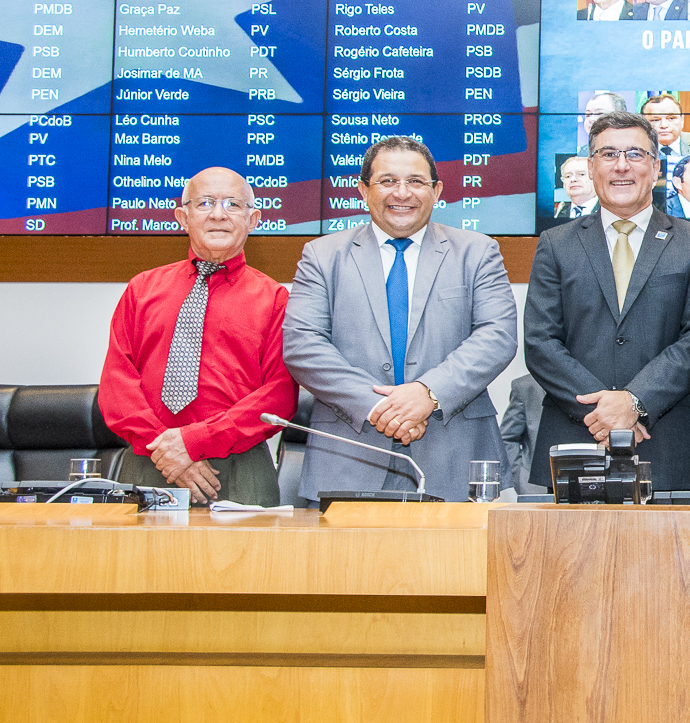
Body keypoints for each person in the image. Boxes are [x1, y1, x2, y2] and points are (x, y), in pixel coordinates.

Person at [284, 137, 519, 502]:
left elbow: (497, 336)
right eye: (388, 181)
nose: (402, 193)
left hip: (455, 457)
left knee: (455, 562)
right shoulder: (322, 255)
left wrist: (428, 394)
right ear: (363, 189)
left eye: (416, 181)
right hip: (348, 456)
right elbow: (303, 345)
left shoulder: (477, 252)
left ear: (437, 190)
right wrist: (379, 407)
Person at [524, 111, 690, 492]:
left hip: (665, 441)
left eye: (635, 154)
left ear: (657, 168)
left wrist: (635, 401)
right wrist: (603, 412)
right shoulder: (555, 243)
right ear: (592, 166)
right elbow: (540, 342)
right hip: (577, 437)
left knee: (671, 553)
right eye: (608, 154)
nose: (621, 166)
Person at [99, 166, 298, 506]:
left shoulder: (276, 299)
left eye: (233, 205)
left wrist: (193, 443)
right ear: (182, 216)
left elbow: (278, 397)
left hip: (239, 469)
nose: (218, 214)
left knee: (249, 561)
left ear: (253, 220)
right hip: (150, 461)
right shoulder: (141, 290)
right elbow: (117, 387)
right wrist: (166, 446)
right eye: (205, 203)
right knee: (139, 561)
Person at [641, 93, 688, 169]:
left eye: (671, 118)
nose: (664, 125)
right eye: (655, 120)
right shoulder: (636, 150)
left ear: (682, 120)